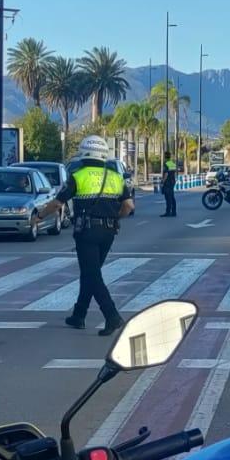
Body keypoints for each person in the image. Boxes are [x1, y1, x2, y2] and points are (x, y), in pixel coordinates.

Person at [60, 134, 134, 335]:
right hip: (109, 231)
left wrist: (39, 217)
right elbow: (128, 206)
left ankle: (112, 316)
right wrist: (116, 217)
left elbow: (58, 202)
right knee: (90, 272)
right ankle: (79, 315)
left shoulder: (78, 175)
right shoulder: (116, 177)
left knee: (92, 273)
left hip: (87, 231)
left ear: (83, 153)